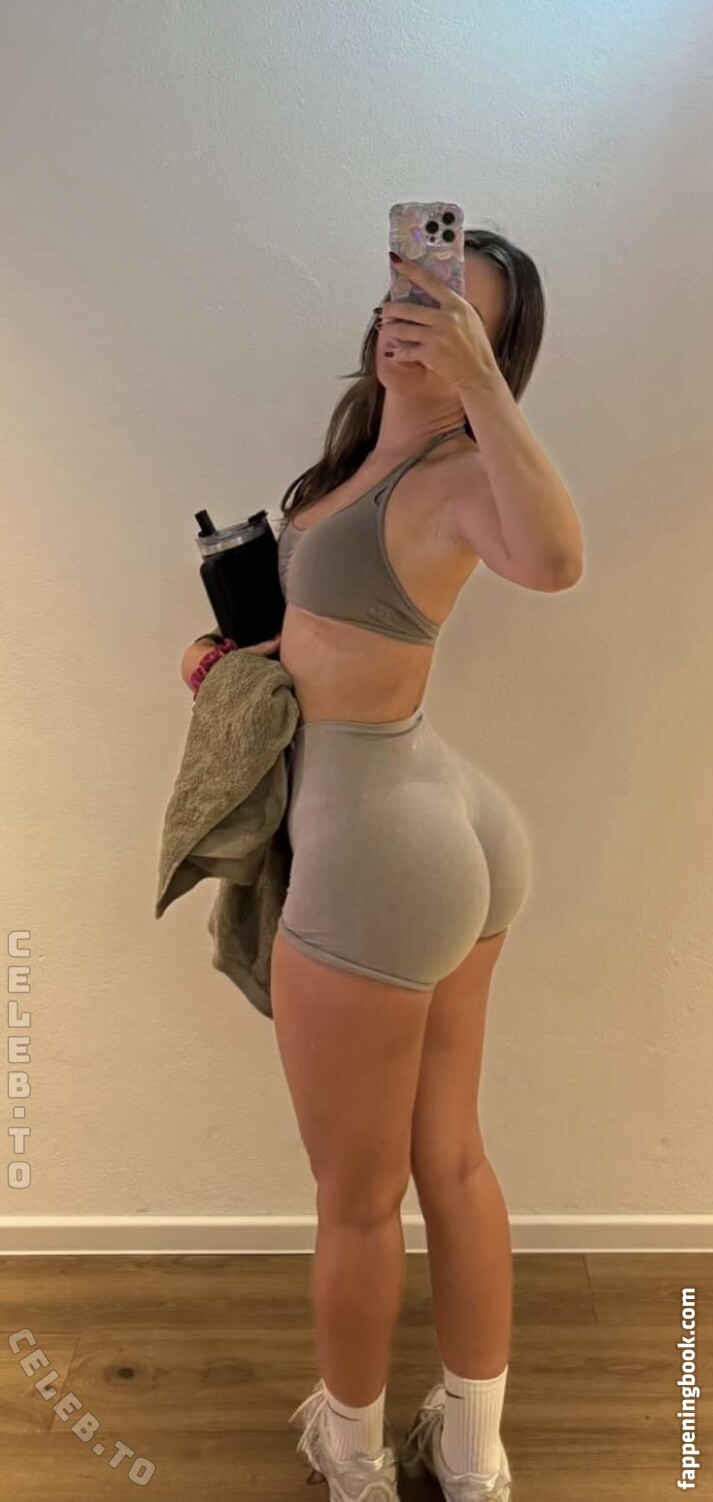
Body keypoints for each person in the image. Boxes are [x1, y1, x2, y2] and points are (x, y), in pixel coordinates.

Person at [182, 228, 584, 1501]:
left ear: (490, 349)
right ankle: (469, 1450)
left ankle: (350, 1457)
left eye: (455, 312)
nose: (415, 316)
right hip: (433, 813)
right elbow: (341, 634)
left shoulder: (464, 467)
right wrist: (250, 658)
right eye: (411, 290)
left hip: (380, 849)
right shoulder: (368, 455)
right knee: (449, 1158)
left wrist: (485, 391)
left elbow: (555, 560)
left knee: (356, 1199)